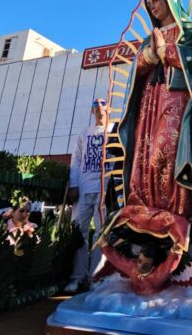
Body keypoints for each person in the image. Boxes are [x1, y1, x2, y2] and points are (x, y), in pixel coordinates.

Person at [118, 0, 192, 235]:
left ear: (171, 1)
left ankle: (176, 210)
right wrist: (149, 55)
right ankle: (143, 206)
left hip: (177, 100)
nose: (151, 5)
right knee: (145, 151)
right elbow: (136, 71)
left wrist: (167, 50)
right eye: (149, 2)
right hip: (149, 102)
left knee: (166, 151)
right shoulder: (148, 39)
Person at [63, 97, 112, 293]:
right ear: (92, 111)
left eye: (103, 103)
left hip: (105, 189)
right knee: (79, 233)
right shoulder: (84, 133)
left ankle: (96, 278)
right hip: (84, 188)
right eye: (95, 105)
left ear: (108, 108)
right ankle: (77, 277)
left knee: (103, 234)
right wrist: (74, 184)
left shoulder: (116, 129)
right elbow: (76, 160)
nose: (99, 107)